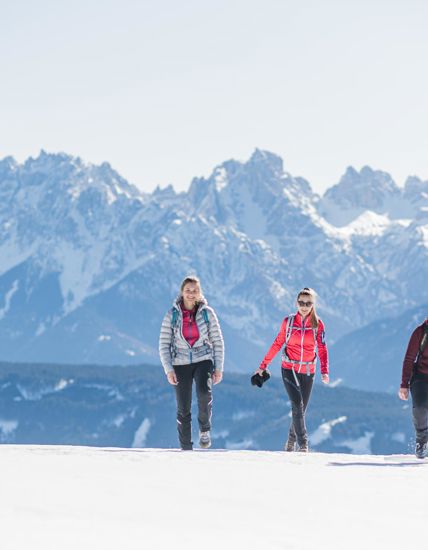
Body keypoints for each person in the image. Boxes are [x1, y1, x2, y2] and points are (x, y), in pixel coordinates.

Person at [254, 287, 329, 452]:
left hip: (309, 371)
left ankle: (290, 439)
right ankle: (303, 444)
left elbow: (322, 348)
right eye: (301, 302)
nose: (304, 306)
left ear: (313, 305)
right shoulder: (288, 322)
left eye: (308, 303)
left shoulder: (318, 324)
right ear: (296, 303)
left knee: (301, 409)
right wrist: (263, 365)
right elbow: (277, 343)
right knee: (297, 404)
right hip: (289, 368)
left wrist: (324, 370)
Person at [159, 275, 224, 450]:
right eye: (188, 290)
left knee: (204, 392)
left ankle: (204, 429)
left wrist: (218, 368)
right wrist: (168, 369)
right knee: (183, 406)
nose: (191, 293)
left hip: (203, 359)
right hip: (180, 362)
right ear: (182, 292)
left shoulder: (207, 313)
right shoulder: (172, 315)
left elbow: (217, 341)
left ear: (199, 293)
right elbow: (163, 344)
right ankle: (186, 447)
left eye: (195, 290)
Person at [398, 318, 428, 458]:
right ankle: (421, 441)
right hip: (421, 377)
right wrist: (404, 384)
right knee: (420, 408)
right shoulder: (421, 332)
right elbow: (409, 358)